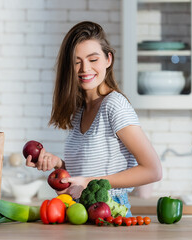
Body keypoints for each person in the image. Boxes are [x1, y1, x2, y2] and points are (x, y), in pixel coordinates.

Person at [25, 21, 162, 217]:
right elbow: (84, 173)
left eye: (93, 59)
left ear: (108, 59)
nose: (84, 69)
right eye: (76, 61)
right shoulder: (80, 109)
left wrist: (89, 182)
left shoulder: (115, 105)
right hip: (79, 211)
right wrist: (58, 165)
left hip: (110, 213)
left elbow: (153, 170)